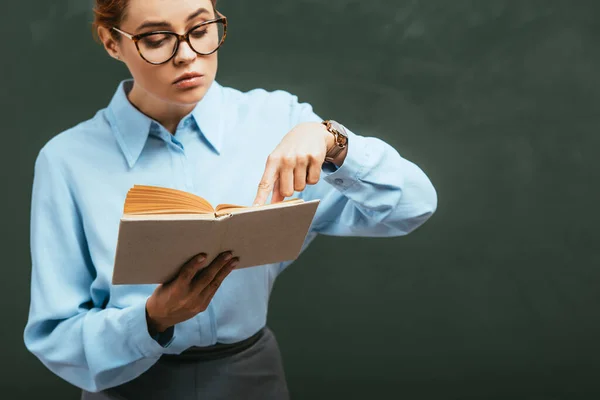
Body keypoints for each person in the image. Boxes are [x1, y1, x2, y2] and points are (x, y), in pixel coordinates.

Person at [23, 0, 437, 398]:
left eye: (200, 30)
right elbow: (55, 334)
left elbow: (412, 207)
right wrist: (152, 320)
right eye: (156, 39)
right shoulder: (66, 160)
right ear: (113, 42)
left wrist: (334, 142)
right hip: (127, 385)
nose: (187, 55)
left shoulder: (280, 122)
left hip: (249, 377)